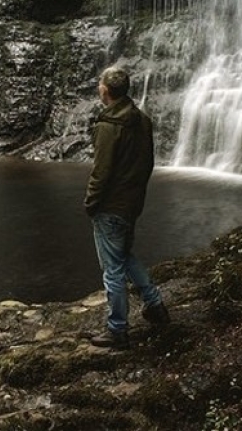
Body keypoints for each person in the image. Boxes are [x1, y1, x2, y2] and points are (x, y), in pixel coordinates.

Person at [84, 65, 170, 349]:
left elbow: (101, 171)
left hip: (111, 205)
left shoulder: (109, 126)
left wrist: (91, 202)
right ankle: (155, 305)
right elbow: (148, 163)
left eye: (100, 84)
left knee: (112, 269)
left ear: (105, 90)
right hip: (132, 202)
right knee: (123, 255)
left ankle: (117, 329)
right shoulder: (142, 120)